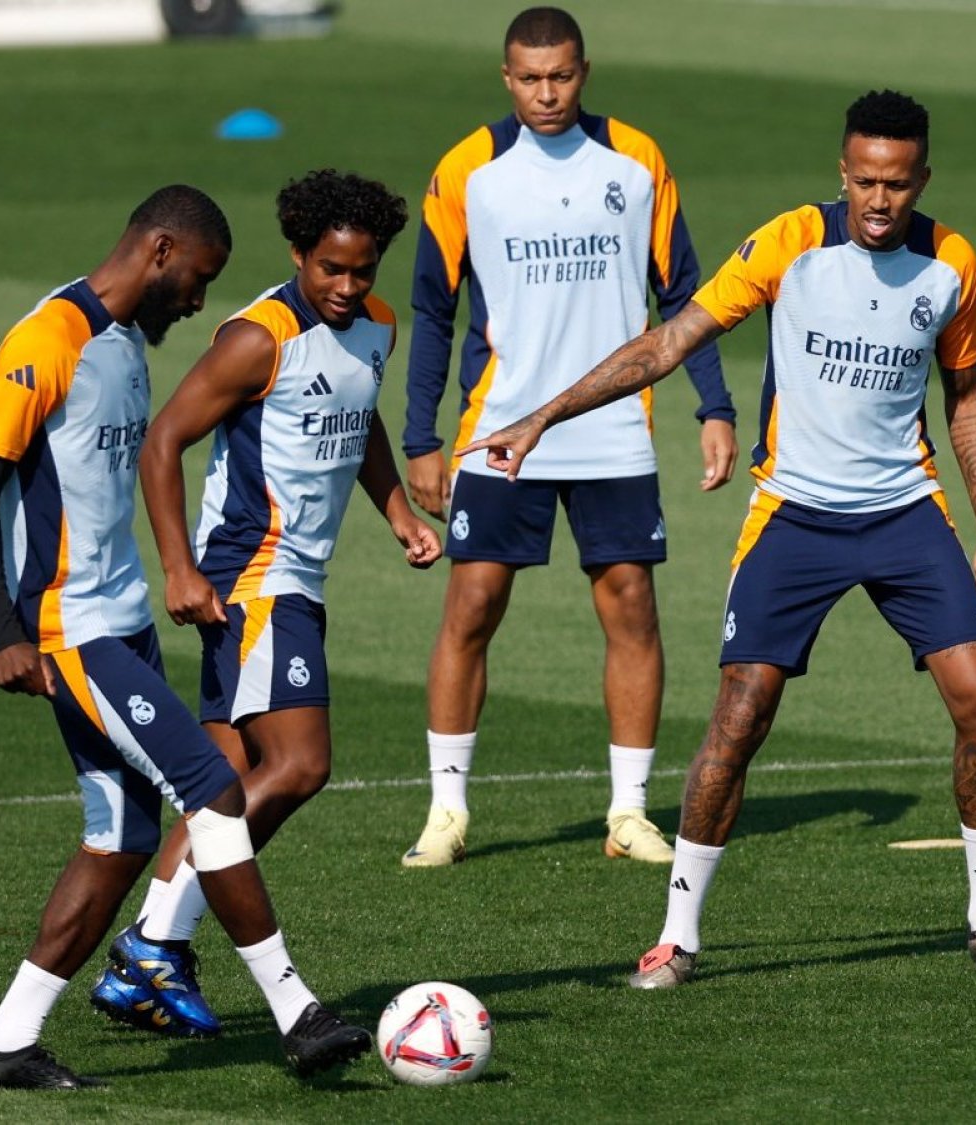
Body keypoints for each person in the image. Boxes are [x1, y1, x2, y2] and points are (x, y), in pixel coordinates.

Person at [457, 90, 976, 986]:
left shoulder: (951, 264)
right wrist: (543, 416)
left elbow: (966, 397)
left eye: (898, 183)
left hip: (905, 512)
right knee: (740, 718)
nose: (880, 199)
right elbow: (669, 342)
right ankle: (677, 935)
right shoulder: (789, 243)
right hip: (794, 515)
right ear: (842, 172)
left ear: (923, 178)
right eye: (865, 180)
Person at [0, 186, 373, 1088]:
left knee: (119, 838)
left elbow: (46, 484)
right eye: (197, 279)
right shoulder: (47, 341)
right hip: (71, 630)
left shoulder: (123, 344)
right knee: (214, 788)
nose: (198, 301)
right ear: (160, 251)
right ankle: (297, 1011)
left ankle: (4, 1043)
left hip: (123, 620)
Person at [84, 170, 441, 1038]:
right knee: (302, 765)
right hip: (253, 577)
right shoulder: (257, 338)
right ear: (298, 254)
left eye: (362, 270)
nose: (347, 286)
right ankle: (153, 943)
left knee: (221, 789)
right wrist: (178, 567)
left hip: (298, 582)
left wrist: (398, 510)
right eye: (330, 269)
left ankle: (146, 960)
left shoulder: (378, 327)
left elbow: (359, 415)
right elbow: (164, 441)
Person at [399, 6, 738, 868]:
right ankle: (446, 811)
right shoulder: (467, 170)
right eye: (529, 78)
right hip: (498, 427)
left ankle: (628, 811)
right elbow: (433, 309)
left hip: (615, 428)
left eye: (560, 76)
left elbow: (685, 294)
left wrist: (714, 406)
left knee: (631, 604)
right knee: (473, 605)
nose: (546, 94)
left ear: (584, 72)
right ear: (505, 78)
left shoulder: (637, 158)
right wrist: (420, 436)